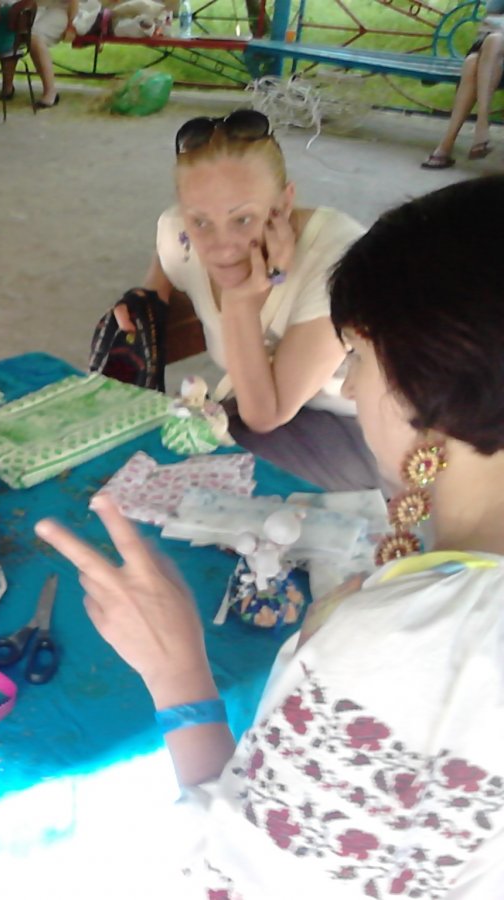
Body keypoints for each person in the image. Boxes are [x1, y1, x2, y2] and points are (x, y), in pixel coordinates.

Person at [39, 173, 504, 898]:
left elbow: (231, 881)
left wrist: (177, 676)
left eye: (360, 358)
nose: (352, 387)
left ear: (431, 385)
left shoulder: (404, 650)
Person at [116, 108, 378, 492]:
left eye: (242, 219)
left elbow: (265, 415)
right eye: (200, 221)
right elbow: (157, 284)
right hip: (245, 405)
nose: (221, 246)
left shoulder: (336, 258)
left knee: (198, 486)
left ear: (283, 205)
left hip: (359, 428)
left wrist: (240, 302)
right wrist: (141, 302)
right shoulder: (178, 234)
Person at [422, 0, 504, 169]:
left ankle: (477, 127)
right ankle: (475, 128)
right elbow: (491, 14)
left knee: (494, 41)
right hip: (493, 49)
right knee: (472, 62)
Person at [29, 0, 77, 108]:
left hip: (65, 10)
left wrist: (71, 24)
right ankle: (8, 87)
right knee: (30, 39)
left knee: (34, 36)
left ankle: (50, 92)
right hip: (39, 8)